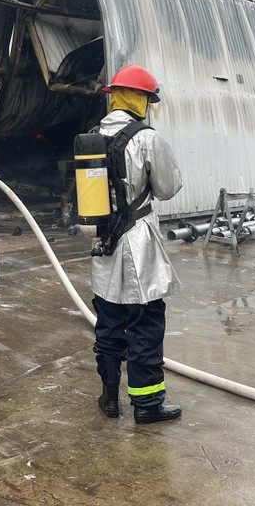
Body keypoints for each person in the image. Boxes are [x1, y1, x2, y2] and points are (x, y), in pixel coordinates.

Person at [90, 64, 184, 425]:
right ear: (140, 98)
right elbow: (167, 188)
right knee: (145, 323)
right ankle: (146, 404)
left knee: (109, 322)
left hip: (103, 243)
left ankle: (109, 397)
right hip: (138, 241)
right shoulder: (146, 138)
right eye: (147, 98)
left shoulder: (92, 136)